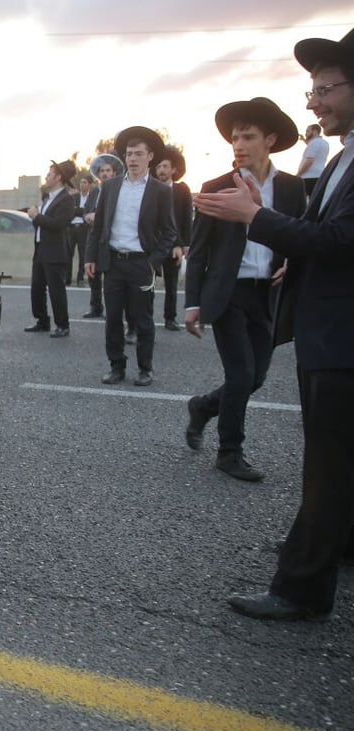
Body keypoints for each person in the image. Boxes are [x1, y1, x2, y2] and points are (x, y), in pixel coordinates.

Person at [193, 27, 354, 621]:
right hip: (308, 322)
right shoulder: (343, 156)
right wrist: (298, 260)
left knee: (329, 466)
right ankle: (333, 544)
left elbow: (340, 238)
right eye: (311, 91)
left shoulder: (307, 175)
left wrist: (256, 218)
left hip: (340, 338)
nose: (314, 102)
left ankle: (302, 587)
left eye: (326, 89)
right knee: (337, 460)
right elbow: (327, 241)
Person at [183, 97, 306, 483]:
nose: (238, 144)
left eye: (248, 136)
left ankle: (203, 407)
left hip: (267, 294)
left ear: (269, 140)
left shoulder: (290, 187)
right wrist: (192, 303)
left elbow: (299, 236)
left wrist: (289, 262)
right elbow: (199, 250)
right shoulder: (215, 187)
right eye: (234, 137)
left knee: (256, 378)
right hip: (229, 293)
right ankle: (229, 452)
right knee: (240, 376)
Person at [85, 126, 178, 387]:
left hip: (141, 263)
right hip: (113, 262)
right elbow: (99, 224)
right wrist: (90, 257)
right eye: (128, 154)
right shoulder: (111, 186)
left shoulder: (160, 191)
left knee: (143, 319)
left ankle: (145, 368)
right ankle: (116, 366)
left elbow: (170, 232)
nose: (133, 159)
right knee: (113, 318)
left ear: (150, 157)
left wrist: (153, 261)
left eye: (138, 154)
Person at [25, 159, 77, 338]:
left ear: (59, 177)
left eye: (49, 174)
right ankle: (42, 320)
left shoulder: (66, 200)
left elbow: (59, 224)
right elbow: (41, 224)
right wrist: (36, 218)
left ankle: (63, 325)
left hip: (55, 252)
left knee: (56, 289)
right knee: (37, 287)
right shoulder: (47, 199)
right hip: (41, 248)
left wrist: (36, 216)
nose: (46, 177)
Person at [153, 145, 192, 331]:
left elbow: (186, 218)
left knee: (171, 283)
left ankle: (170, 318)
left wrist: (183, 244)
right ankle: (143, 319)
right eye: (159, 167)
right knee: (147, 284)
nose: (161, 170)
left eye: (165, 166)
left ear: (173, 169)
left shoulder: (181, 190)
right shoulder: (149, 189)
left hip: (173, 245)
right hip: (152, 244)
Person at [82, 153, 121, 319]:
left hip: (110, 239)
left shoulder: (118, 190)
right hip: (93, 237)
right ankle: (96, 307)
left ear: (113, 172)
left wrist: (99, 217)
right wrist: (88, 216)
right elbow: (86, 212)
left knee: (111, 278)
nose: (104, 173)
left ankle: (114, 310)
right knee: (93, 275)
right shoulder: (95, 191)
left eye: (108, 170)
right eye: (102, 171)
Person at [70, 174, 97, 288]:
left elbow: (88, 212)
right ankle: (67, 278)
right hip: (71, 228)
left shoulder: (92, 197)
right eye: (81, 182)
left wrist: (79, 211)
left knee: (83, 255)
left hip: (83, 228)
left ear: (90, 184)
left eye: (85, 182)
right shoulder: (75, 197)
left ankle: (80, 278)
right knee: (68, 254)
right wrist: (81, 211)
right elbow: (71, 211)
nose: (82, 185)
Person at [297, 123, 329, 198]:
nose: (306, 133)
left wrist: (298, 175)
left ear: (315, 131)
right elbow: (312, 147)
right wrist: (303, 140)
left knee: (300, 202)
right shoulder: (324, 143)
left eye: (308, 131)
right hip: (319, 176)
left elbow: (309, 161)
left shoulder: (314, 143)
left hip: (308, 177)